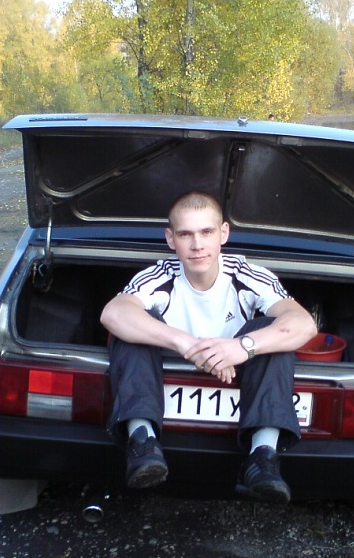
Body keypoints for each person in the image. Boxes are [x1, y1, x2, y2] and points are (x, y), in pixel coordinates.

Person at [100, 191, 317, 503]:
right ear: (170, 239)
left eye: (206, 232)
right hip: (167, 361)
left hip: (238, 367)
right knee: (132, 328)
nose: (197, 244)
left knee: (270, 333)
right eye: (185, 234)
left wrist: (241, 347)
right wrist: (187, 343)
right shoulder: (159, 275)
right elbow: (113, 313)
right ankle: (143, 443)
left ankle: (262, 457)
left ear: (223, 233)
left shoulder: (246, 274)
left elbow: (303, 323)